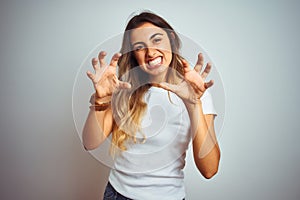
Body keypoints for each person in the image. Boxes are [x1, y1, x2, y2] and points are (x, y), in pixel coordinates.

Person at [82, 11, 221, 200]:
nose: (150, 52)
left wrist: (193, 104)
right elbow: (90, 143)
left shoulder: (196, 91)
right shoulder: (123, 88)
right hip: (117, 194)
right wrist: (101, 100)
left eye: (156, 40)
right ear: (133, 55)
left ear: (171, 39)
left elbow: (210, 170)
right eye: (140, 47)